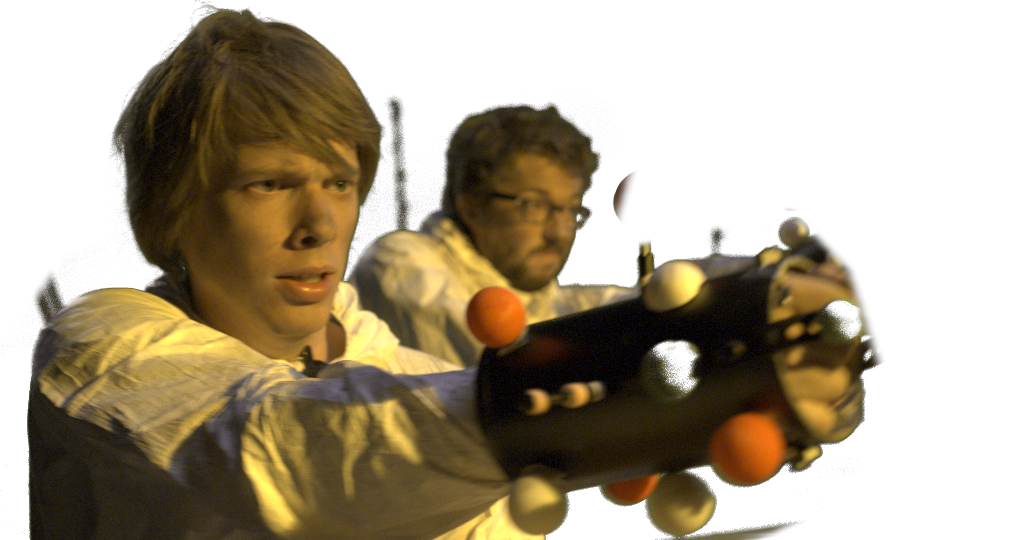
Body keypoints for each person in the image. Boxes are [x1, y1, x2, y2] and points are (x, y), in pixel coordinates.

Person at [27, 8, 872, 540]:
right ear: (174, 210)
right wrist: (597, 396)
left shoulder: (387, 359)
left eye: (339, 183)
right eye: (271, 184)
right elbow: (284, 448)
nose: (320, 224)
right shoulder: (100, 347)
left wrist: (744, 322)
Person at [349, 104, 637, 367]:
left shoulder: (545, 300)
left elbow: (592, 303)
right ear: (472, 208)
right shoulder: (398, 263)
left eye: (570, 209)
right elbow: (507, 363)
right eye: (534, 205)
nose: (560, 232)